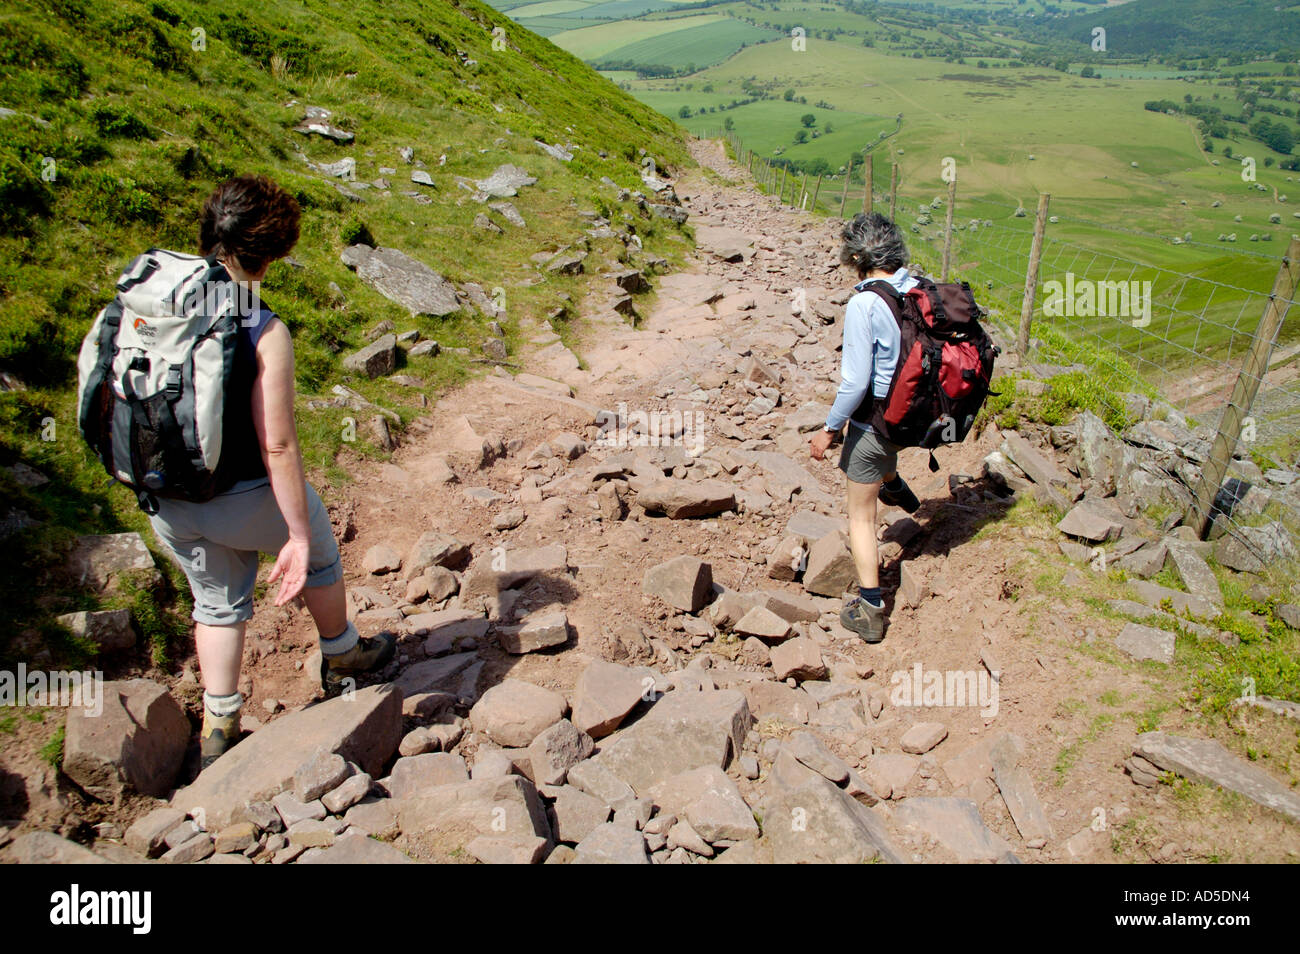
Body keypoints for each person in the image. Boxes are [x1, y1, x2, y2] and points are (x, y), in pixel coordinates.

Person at [147, 174, 395, 769]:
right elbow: (279, 446)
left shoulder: (151, 292)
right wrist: (300, 537)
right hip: (241, 495)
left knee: (215, 603)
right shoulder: (262, 325)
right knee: (315, 538)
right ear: (274, 254)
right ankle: (341, 656)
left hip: (166, 495)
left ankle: (220, 726)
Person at [809, 212, 922, 644]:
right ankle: (896, 487)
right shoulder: (916, 287)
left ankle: (871, 609)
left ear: (857, 254)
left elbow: (856, 382)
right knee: (882, 457)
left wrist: (829, 429)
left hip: (878, 421)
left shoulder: (864, 303)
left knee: (860, 515)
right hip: (917, 415)